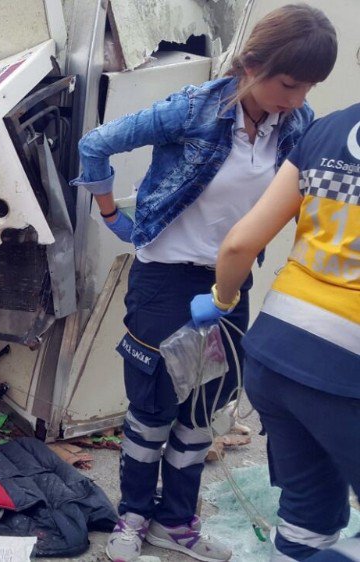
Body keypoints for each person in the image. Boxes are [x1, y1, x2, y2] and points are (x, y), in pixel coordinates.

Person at [70, 5, 338, 561]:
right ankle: (134, 519)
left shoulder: (301, 124)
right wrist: (113, 216)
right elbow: (96, 143)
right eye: (288, 83)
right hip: (165, 277)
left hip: (228, 285)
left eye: (308, 87)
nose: (296, 97)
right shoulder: (193, 109)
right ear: (253, 64)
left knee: (202, 411)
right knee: (152, 407)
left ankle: (177, 522)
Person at [191, 102, 359, 561]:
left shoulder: (330, 128)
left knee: (308, 519)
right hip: (346, 373)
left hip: (275, 351)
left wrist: (221, 300)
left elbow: (241, 242)